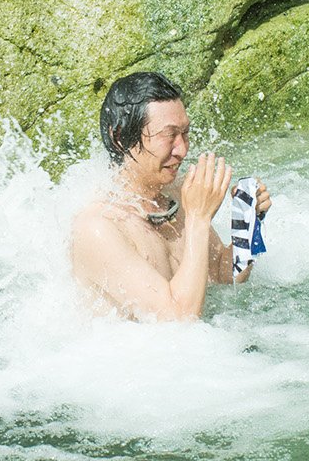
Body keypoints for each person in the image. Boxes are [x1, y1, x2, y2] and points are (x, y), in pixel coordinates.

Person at [70, 71, 270, 321]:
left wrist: (248, 221)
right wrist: (199, 217)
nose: (183, 149)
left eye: (185, 133)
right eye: (169, 135)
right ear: (120, 137)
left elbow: (222, 275)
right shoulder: (98, 229)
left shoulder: (175, 194)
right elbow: (177, 322)